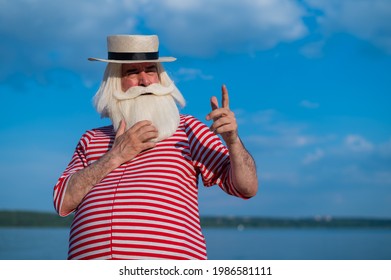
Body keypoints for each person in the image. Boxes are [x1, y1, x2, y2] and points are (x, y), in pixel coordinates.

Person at [53, 34, 258, 260]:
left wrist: (233, 142)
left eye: (151, 70)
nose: (145, 80)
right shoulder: (91, 138)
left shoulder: (188, 128)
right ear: (114, 82)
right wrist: (114, 157)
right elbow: (62, 201)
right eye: (132, 72)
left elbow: (246, 187)